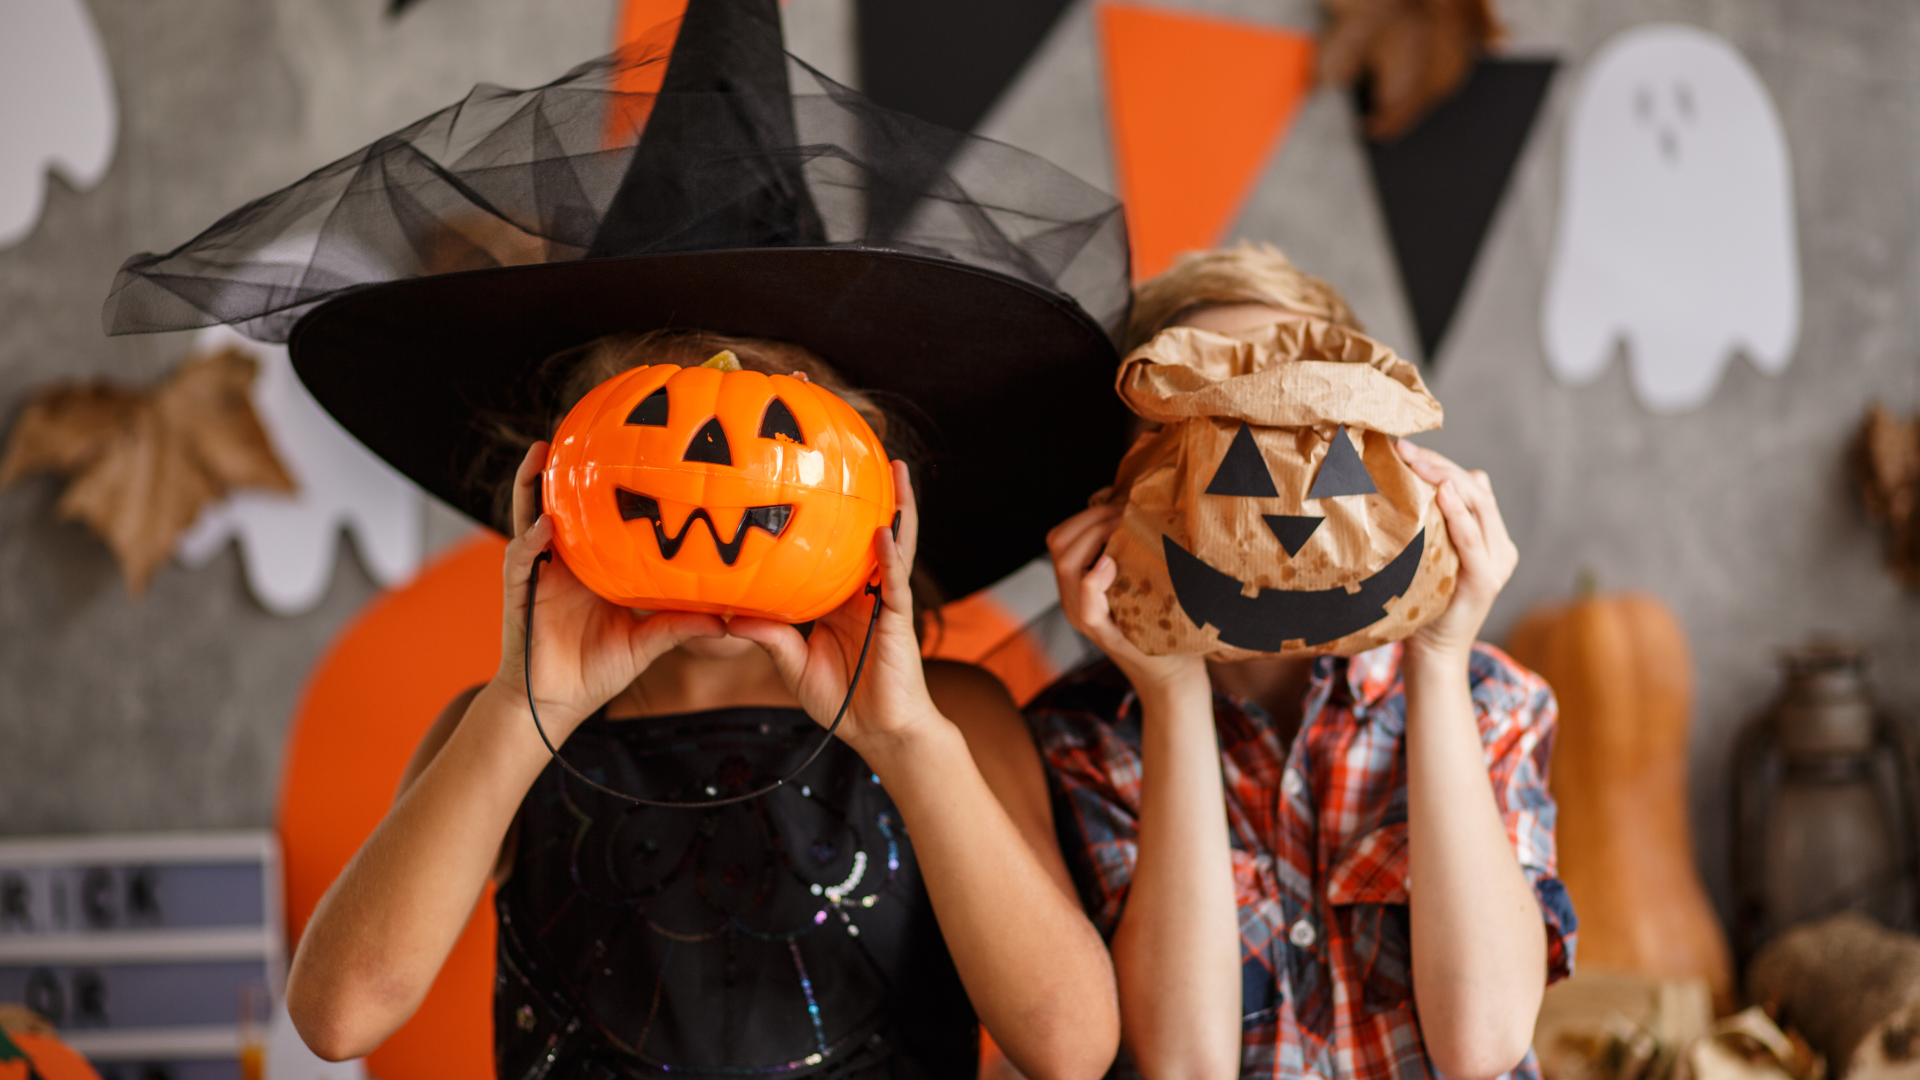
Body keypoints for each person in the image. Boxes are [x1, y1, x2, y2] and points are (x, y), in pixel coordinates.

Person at [99, 0, 1139, 1074]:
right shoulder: (504, 733)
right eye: (654, 422)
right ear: (556, 482)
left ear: (877, 490)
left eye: (777, 427)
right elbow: (340, 1015)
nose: (716, 478)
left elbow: (1070, 1047)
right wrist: (519, 712)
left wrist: (908, 744)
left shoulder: (949, 720)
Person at [1031, 243, 1576, 1080]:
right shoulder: (1081, 739)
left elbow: (1485, 1039)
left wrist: (1436, 655)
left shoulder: (1492, 696)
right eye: (1232, 448)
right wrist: (1171, 688)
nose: (1289, 513)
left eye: (1318, 444)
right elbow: (1184, 1063)